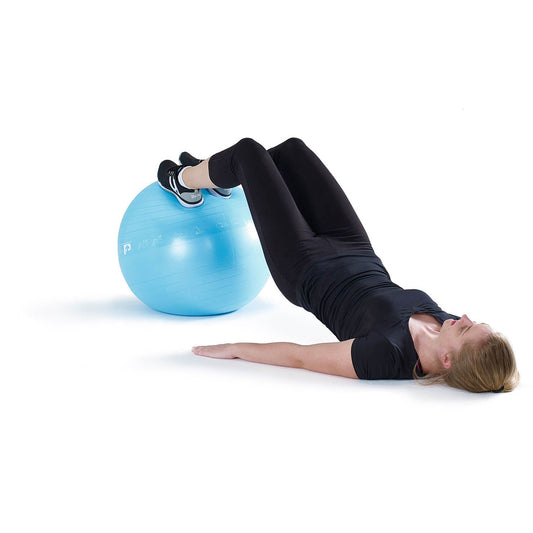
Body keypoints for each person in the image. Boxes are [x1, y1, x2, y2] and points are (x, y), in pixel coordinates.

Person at [157, 137, 519, 393]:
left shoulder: (386, 357)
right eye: (474, 322)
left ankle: (181, 180)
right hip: (355, 249)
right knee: (291, 151)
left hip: (304, 267)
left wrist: (237, 349)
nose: (464, 317)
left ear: (447, 361)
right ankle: (213, 175)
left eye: (466, 330)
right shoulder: (445, 327)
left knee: (248, 153)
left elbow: (301, 358)